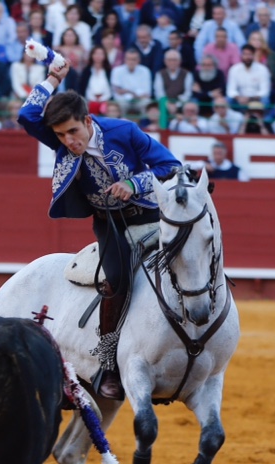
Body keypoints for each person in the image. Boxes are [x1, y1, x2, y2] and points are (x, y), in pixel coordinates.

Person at [18, 62, 181, 399]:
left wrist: (134, 183)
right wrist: (52, 79)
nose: (68, 141)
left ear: (88, 121)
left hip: (151, 217)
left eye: (73, 132)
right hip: (110, 224)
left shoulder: (125, 131)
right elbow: (26, 116)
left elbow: (171, 166)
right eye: (61, 135)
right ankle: (108, 362)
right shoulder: (61, 139)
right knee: (118, 279)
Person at [226, 43, 271, 107]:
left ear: (254, 55)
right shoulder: (234, 69)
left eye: (249, 54)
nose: (247, 57)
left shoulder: (262, 69)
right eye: (245, 54)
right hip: (239, 100)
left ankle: (262, 117)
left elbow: (264, 91)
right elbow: (231, 91)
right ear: (241, 55)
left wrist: (250, 99)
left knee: (265, 99)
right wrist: (239, 98)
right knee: (228, 99)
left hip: (256, 100)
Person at [111, 46, 152, 115]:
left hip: (140, 100)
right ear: (125, 59)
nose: (131, 62)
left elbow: (147, 93)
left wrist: (128, 92)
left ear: (138, 60)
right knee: (116, 106)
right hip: (123, 101)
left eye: (134, 59)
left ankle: (146, 125)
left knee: (148, 104)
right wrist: (132, 94)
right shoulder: (116, 71)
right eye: (129, 59)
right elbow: (116, 91)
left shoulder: (145, 71)